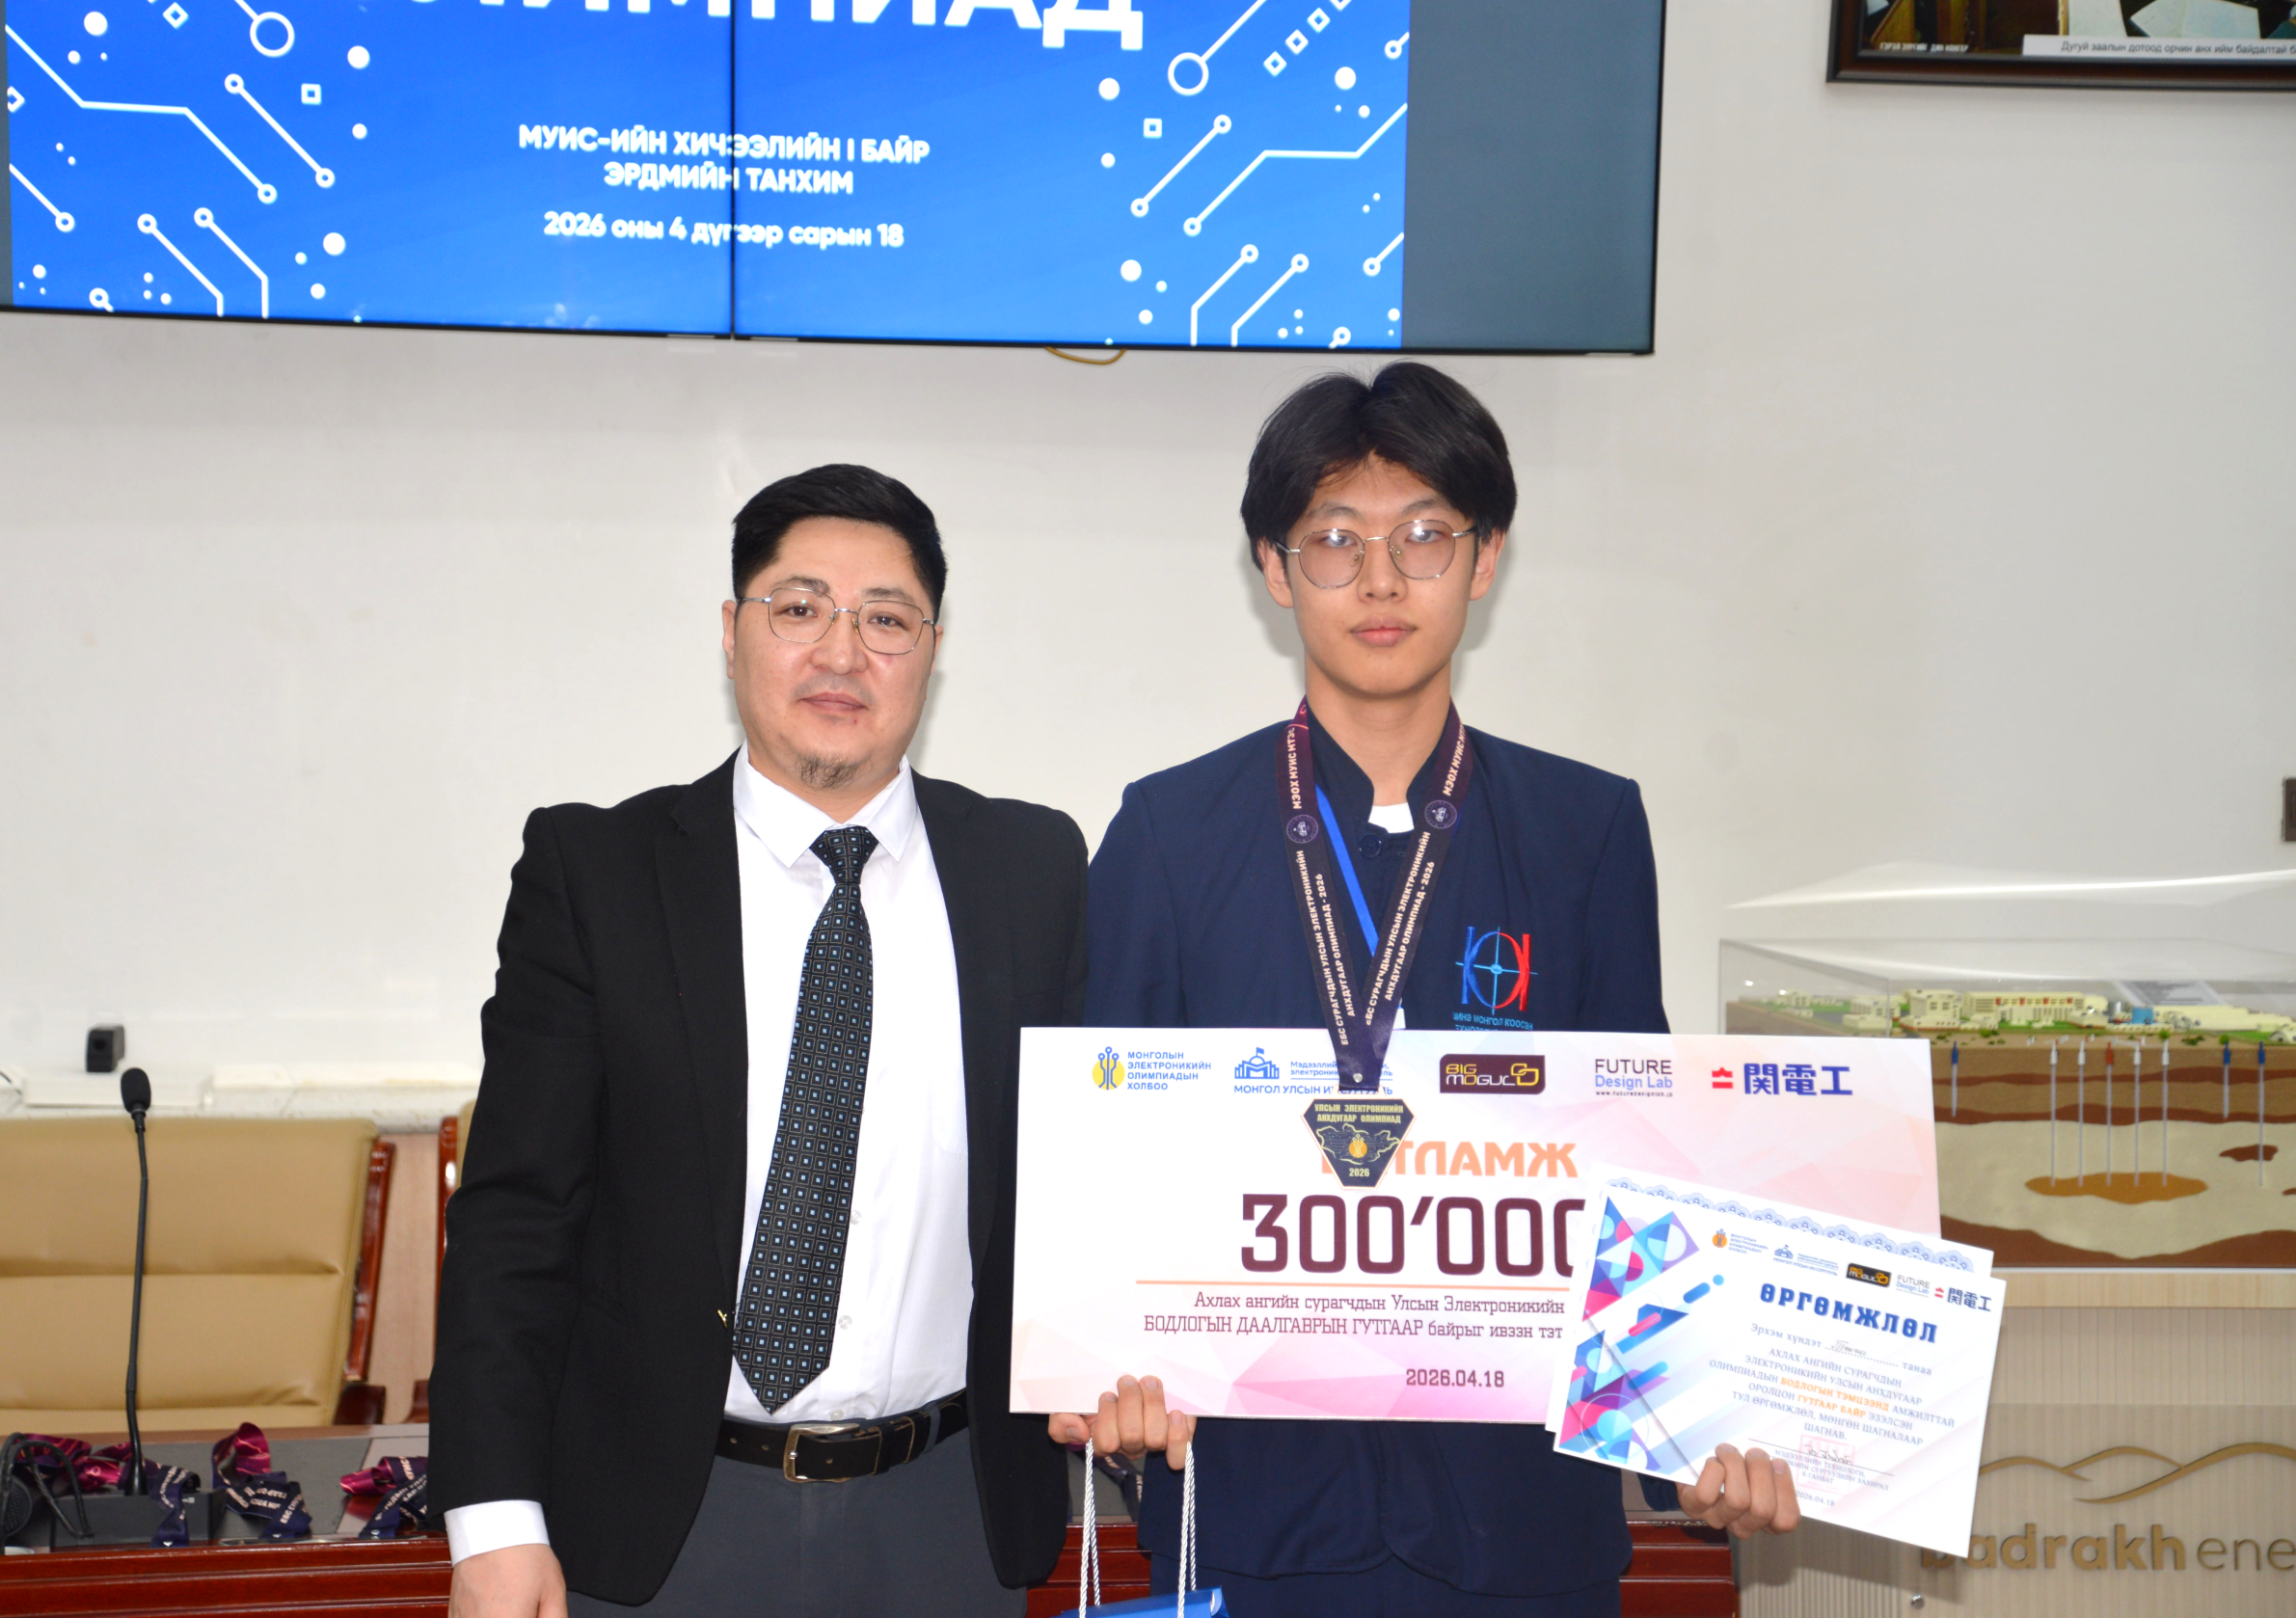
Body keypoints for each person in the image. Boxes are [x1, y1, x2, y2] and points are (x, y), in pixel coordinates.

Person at [1047, 364, 1798, 1617]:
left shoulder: (1583, 829)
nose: (1382, 580)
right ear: (1274, 567)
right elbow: (1107, 1163)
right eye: (1335, 540)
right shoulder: (1170, 832)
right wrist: (1104, 1376)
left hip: (1519, 1525)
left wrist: (1692, 1443)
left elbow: (1642, 1164)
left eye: (1424, 536)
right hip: (1254, 1521)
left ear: (1485, 557)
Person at [432, 465, 1083, 1618]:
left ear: (932, 650)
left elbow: (1080, 1177)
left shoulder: (1030, 869)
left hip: (945, 1514)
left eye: (886, 618)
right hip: (663, 1519)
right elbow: (516, 1215)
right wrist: (491, 1518)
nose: (842, 652)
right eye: (799, 608)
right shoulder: (601, 873)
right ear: (732, 632)